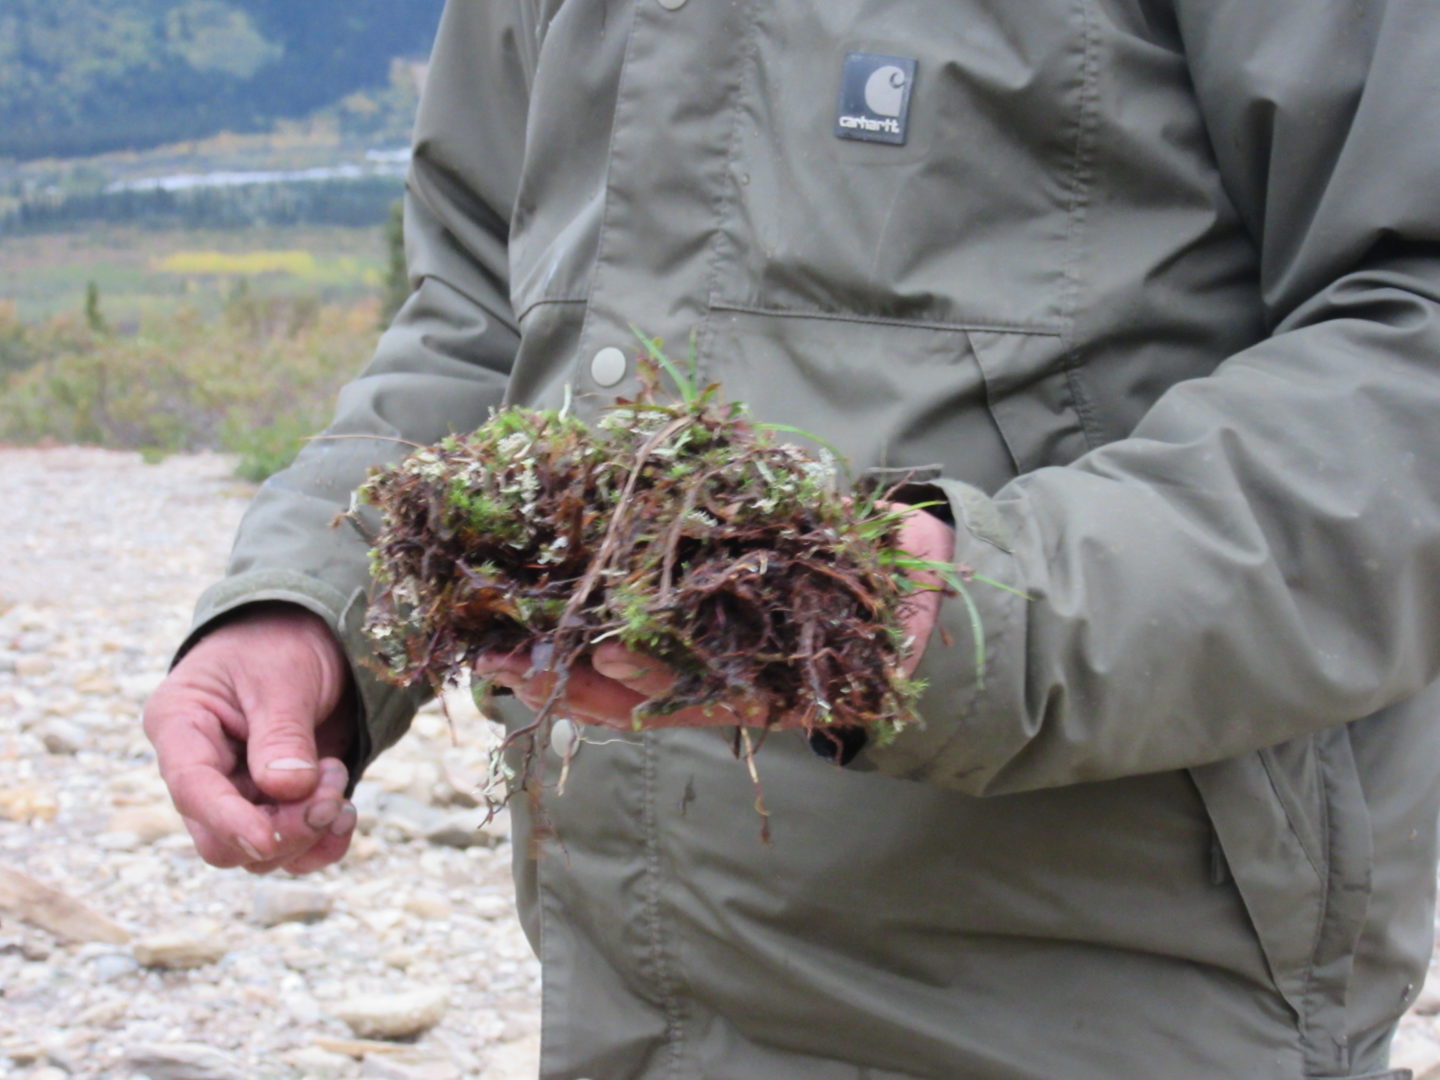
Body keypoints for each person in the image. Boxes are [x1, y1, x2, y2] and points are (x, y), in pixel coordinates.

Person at [144, 1, 1440, 1077]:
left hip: (1114, 989)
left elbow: (1411, 339)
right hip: (634, 989)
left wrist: (980, 608)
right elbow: (485, 311)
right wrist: (312, 602)